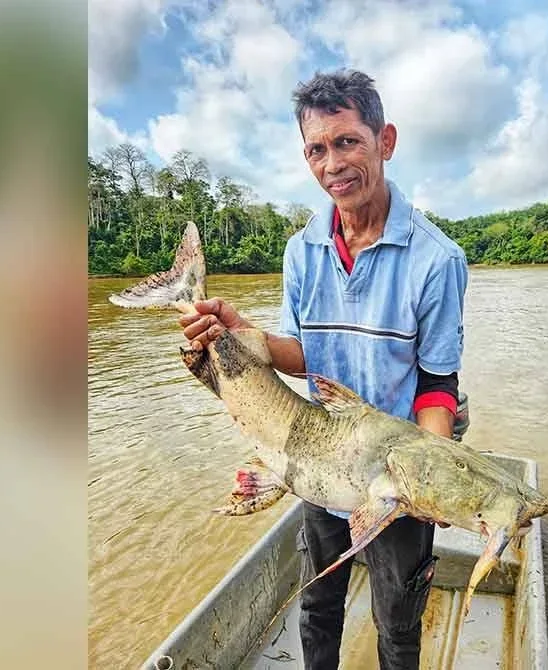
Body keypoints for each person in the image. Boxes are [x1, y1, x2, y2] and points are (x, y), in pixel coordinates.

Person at [179, 69, 468, 670]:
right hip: (319, 456)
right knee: (317, 603)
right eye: (316, 149)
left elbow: (438, 384)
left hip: (393, 475)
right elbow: (304, 352)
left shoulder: (438, 261)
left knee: (398, 622)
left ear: (385, 141)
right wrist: (242, 333)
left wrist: (428, 475)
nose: (332, 164)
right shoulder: (301, 251)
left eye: (347, 141)